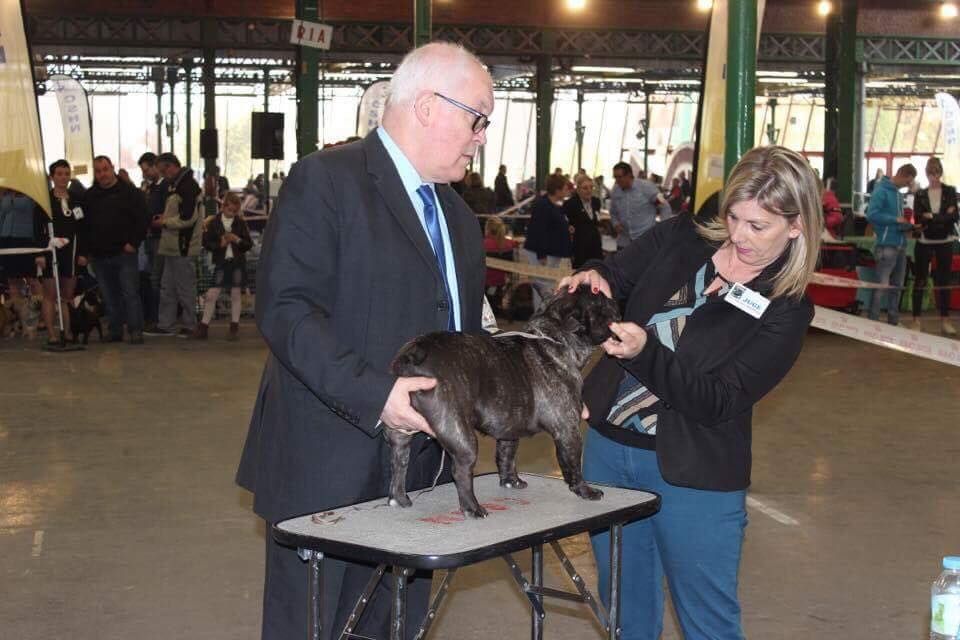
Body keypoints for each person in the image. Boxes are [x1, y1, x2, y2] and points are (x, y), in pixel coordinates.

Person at [235, 41, 490, 640]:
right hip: (327, 471)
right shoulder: (325, 180)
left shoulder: (458, 218)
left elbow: (467, 335)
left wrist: (524, 386)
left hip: (424, 474)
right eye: (477, 118)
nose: (481, 138)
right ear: (428, 106)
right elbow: (287, 311)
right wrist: (379, 395)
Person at [559, 145, 823, 640]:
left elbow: (718, 400)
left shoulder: (787, 308)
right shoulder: (686, 234)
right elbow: (617, 273)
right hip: (609, 452)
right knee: (626, 613)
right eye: (734, 217)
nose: (739, 235)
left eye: (758, 226)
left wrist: (645, 353)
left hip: (695, 474)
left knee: (708, 623)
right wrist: (596, 274)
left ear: (796, 226)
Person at [79, 155, 149, 344]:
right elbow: (84, 226)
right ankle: (115, 330)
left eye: (105, 169)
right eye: (98, 171)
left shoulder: (130, 192)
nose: (102, 174)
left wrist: (133, 243)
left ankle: (135, 330)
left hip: (124, 254)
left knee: (130, 293)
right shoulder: (89, 196)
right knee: (109, 296)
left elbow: (143, 219)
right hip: (99, 256)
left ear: (112, 168)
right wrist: (86, 251)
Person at [149, 153, 203, 337]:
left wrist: (164, 222)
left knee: (185, 288)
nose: (163, 175)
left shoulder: (188, 187)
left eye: (163, 171)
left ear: (171, 166)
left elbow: (188, 218)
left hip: (183, 246)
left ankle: (190, 325)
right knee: (168, 288)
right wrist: (165, 219)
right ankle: (166, 324)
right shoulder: (178, 185)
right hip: (174, 246)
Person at [910, 157, 958, 335]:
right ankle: (916, 320)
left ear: (941, 172)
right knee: (920, 280)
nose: (934, 176)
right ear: (926, 174)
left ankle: (945, 320)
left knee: (944, 281)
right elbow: (918, 217)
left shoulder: (950, 191)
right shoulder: (920, 194)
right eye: (931, 173)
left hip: (946, 241)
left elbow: (954, 217)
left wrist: (933, 217)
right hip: (924, 241)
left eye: (937, 172)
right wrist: (942, 216)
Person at [41, 160, 87, 344]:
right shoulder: (44, 200)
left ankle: (67, 332)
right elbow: (37, 228)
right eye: (59, 174)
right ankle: (52, 334)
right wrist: (40, 253)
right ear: (52, 177)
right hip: (50, 251)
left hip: (72, 252)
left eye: (66, 174)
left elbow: (83, 228)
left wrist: (83, 253)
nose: (63, 177)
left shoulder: (77, 199)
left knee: (67, 295)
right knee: (50, 295)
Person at [866, 163, 917, 326]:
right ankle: (872, 322)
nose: (908, 185)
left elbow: (896, 220)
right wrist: (895, 220)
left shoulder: (898, 194)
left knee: (897, 286)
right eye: (907, 181)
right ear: (901, 174)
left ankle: (893, 321)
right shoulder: (881, 190)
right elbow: (871, 215)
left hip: (900, 244)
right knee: (880, 286)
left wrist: (906, 225)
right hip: (886, 245)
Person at [197, 192, 252, 340]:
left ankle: (233, 328)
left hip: (237, 263)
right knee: (211, 295)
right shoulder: (213, 222)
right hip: (221, 263)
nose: (232, 213)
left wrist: (237, 239)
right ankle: (203, 327)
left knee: (235, 294)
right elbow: (206, 243)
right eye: (229, 210)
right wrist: (219, 244)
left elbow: (248, 244)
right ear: (223, 207)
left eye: (234, 211)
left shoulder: (240, 222)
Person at [0, 188, 47, 338]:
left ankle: (39, 318)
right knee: (13, 282)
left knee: (33, 281)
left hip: (27, 240)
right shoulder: (5, 194)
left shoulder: (32, 194)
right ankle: (21, 321)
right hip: (6, 240)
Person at [523, 173, 572, 309]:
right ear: (557, 190)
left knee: (547, 285)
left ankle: (544, 313)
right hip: (543, 254)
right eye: (565, 188)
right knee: (543, 286)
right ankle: (540, 314)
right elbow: (538, 230)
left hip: (552, 252)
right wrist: (541, 254)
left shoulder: (553, 205)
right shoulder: (543, 205)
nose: (567, 191)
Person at [138, 152, 167, 332]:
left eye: (146, 170)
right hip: (151, 237)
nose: (145, 174)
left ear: (155, 166)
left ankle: (157, 319)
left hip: (159, 238)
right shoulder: (152, 188)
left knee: (156, 279)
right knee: (151, 278)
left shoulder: (164, 187)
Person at [609, 161, 667, 249]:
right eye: (615, 177)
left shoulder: (647, 187)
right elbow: (613, 212)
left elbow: (664, 207)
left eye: (619, 177)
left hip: (645, 240)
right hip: (624, 241)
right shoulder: (615, 191)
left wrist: (663, 228)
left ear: (629, 175)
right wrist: (615, 223)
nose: (617, 180)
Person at [563, 174, 603, 269]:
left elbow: (597, 220)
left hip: (595, 243)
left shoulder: (596, 201)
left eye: (591, 187)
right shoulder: (570, 204)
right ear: (578, 190)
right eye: (585, 188)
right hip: (579, 245)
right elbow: (565, 223)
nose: (589, 190)